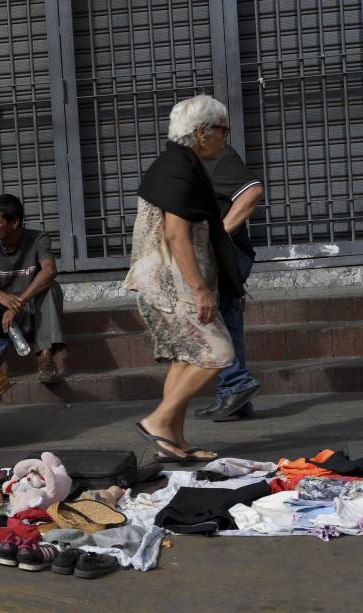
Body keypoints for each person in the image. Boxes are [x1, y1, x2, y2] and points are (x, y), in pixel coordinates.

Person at [124, 94, 243, 462]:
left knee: (184, 357)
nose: (226, 138)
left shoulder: (180, 163)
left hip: (168, 283)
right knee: (218, 353)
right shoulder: (177, 168)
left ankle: (172, 442)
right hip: (173, 284)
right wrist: (200, 289)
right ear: (202, 131)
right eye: (223, 130)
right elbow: (176, 234)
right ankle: (159, 421)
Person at [0, 194, 65, 383]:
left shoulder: (38, 239)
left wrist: (17, 303)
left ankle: (45, 358)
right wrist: (1, 296)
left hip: (30, 316)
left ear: (14, 223)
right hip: (0, 320)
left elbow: (49, 270)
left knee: (51, 288)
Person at [194, 146, 264, 421]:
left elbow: (252, 191)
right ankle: (233, 396)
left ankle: (237, 384)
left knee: (213, 319)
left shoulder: (216, 155)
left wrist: (218, 236)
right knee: (227, 319)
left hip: (223, 256)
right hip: (220, 257)